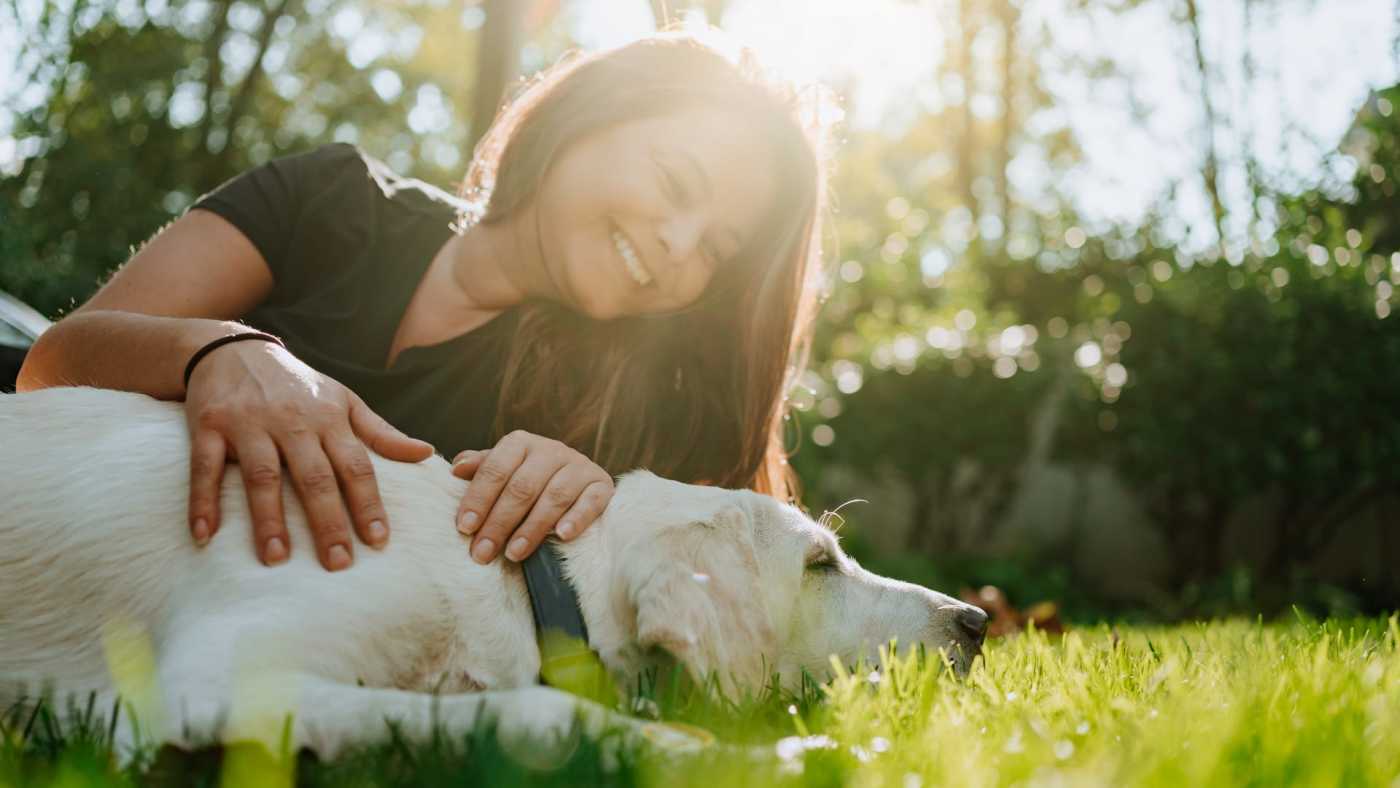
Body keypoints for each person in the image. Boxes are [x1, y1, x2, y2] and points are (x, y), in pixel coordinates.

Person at [17, 32, 830, 574]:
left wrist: (604, 509)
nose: (678, 246)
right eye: (676, 183)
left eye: (717, 250)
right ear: (586, 119)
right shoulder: (330, 199)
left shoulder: (632, 411)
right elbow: (49, 369)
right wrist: (219, 353)